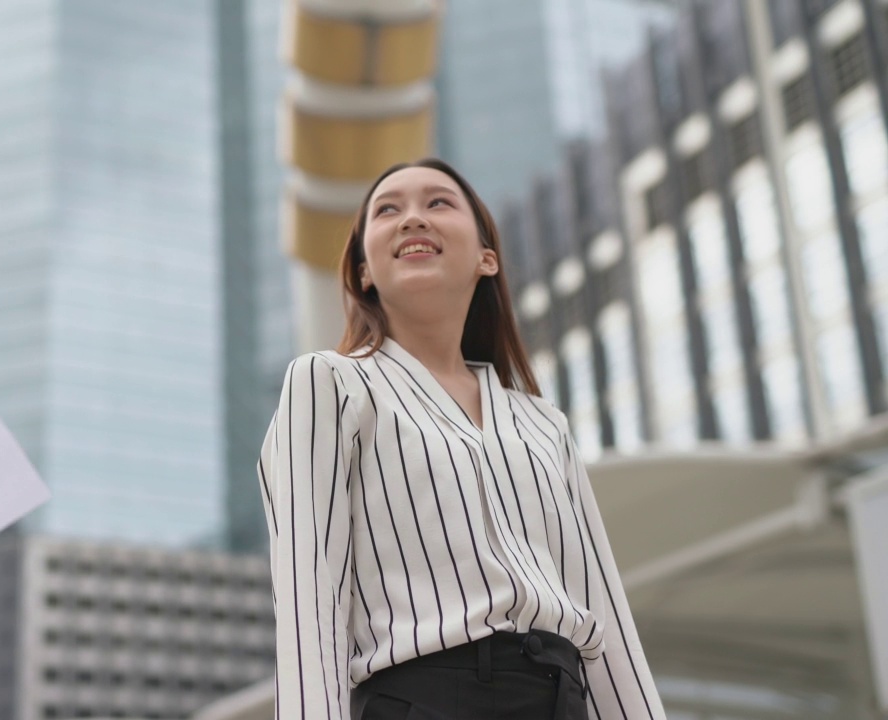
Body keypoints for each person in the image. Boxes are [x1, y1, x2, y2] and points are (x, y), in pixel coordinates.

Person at [257, 158, 665, 720]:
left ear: (485, 258)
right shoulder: (329, 383)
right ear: (364, 271)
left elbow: (605, 616)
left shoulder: (545, 425)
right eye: (388, 210)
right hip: (424, 700)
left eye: (438, 203)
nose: (412, 219)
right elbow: (309, 596)